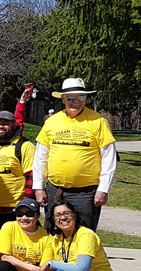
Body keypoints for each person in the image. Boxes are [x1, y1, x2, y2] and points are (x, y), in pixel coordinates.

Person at [33, 78, 116, 231]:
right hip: (55, 190)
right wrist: (38, 187)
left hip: (86, 193)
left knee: (84, 235)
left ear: (86, 98)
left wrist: (103, 189)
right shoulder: (52, 122)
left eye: (81, 97)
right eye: (71, 97)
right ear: (63, 99)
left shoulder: (98, 121)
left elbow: (108, 158)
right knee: (53, 233)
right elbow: (40, 157)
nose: (76, 101)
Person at [0, 111, 36, 240]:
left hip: (15, 211)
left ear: (13, 125)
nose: (1, 126)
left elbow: (31, 176)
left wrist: (25, 206)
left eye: (5, 124)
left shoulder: (24, 146)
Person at [39, 201, 112, 271]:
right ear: (53, 220)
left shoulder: (86, 235)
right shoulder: (56, 239)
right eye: (58, 215)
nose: (63, 217)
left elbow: (82, 269)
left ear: (75, 215)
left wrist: (51, 263)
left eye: (67, 213)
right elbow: (44, 267)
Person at [0, 198, 47, 271]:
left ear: (38, 216)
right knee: (3, 266)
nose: (24, 218)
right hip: (20, 268)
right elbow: (4, 257)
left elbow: (44, 265)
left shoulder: (45, 236)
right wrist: (32, 268)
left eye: (29, 214)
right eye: (19, 214)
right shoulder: (9, 227)